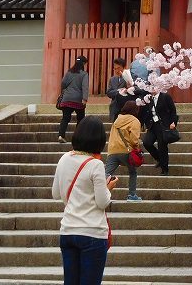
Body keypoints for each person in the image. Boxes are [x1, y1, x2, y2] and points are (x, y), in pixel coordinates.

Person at [51, 116, 118, 285]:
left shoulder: (64, 158)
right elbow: (102, 202)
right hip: (92, 233)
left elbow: (56, 194)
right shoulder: (95, 164)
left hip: (68, 231)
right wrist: (108, 189)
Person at [104, 100, 143, 202]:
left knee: (106, 174)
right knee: (133, 172)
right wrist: (137, 147)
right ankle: (131, 195)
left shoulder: (117, 120)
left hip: (113, 151)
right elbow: (134, 140)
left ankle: (98, 193)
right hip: (126, 151)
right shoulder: (134, 121)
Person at [141, 90, 178, 175]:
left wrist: (173, 122)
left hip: (163, 125)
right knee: (147, 143)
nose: (152, 89)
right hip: (152, 125)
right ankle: (159, 159)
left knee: (162, 146)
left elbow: (173, 110)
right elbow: (147, 112)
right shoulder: (148, 98)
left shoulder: (165, 97)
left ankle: (165, 169)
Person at [58, 56, 89, 144]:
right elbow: (85, 87)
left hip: (67, 98)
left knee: (65, 118)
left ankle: (61, 135)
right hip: (78, 99)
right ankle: (77, 138)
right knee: (80, 119)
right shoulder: (84, 74)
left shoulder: (69, 72)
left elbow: (63, 83)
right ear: (83, 64)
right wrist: (85, 99)